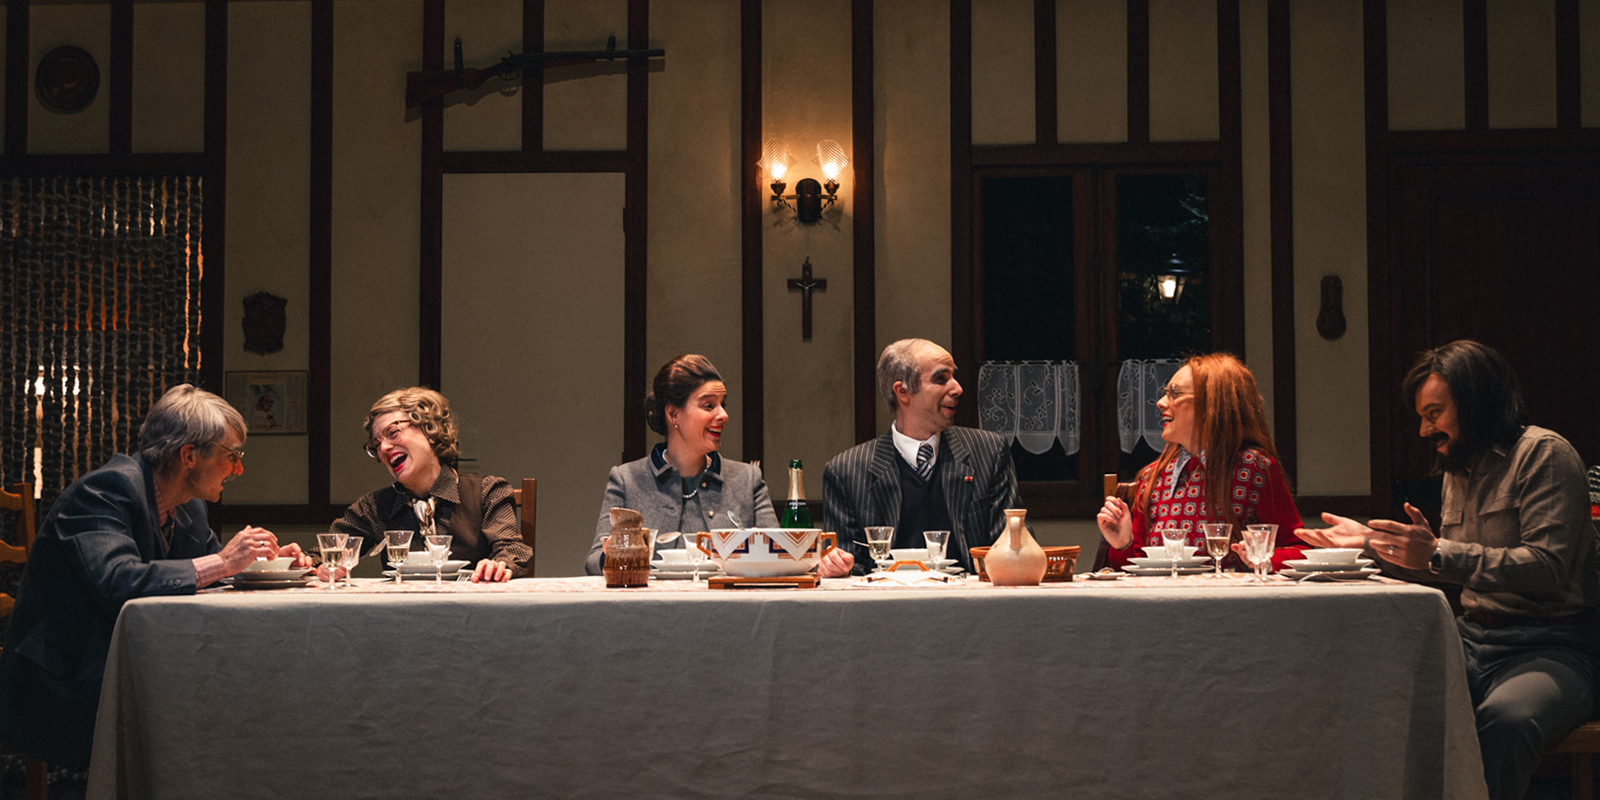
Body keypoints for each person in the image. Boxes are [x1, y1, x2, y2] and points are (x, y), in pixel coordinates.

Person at [1298, 340, 1600, 800]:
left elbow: (1547, 566)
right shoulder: (1459, 467)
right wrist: (1372, 545)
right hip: (1472, 638)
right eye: (1421, 416)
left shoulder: (1543, 454)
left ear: (1476, 402)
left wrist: (1438, 552)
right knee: (1380, 697)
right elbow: (1449, 566)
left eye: (1434, 413)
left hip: (1555, 646)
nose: (1424, 429)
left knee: (1507, 720)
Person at [0, 384, 310, 768]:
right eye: (232, 456)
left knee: (240, 692)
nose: (238, 468)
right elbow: (117, 582)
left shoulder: (189, 507)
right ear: (188, 456)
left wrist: (269, 564)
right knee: (217, 704)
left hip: (126, 664)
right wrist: (225, 562)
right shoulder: (105, 490)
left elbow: (206, 572)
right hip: (65, 680)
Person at [822, 339, 1024, 577]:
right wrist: (835, 565)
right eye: (941, 379)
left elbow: (1014, 545)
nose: (958, 388)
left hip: (970, 606)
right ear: (903, 392)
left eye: (953, 377)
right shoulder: (846, 471)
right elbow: (847, 566)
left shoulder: (989, 452)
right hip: (884, 608)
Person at [1096, 353, 1307, 571]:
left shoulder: (1253, 468)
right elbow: (1135, 568)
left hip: (1231, 603)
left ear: (1212, 404)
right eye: (1165, 393)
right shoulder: (1153, 476)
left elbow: (1298, 548)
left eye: (1175, 393)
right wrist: (1122, 544)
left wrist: (1263, 558)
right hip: (1165, 603)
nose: (1160, 402)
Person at [585, 355, 777, 574]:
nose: (723, 415)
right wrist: (608, 556)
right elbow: (593, 563)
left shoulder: (748, 479)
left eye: (722, 405)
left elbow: (782, 554)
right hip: (650, 608)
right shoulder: (627, 480)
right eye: (708, 406)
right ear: (673, 414)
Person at [331, 388, 529, 582]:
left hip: (473, 610)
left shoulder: (488, 492)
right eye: (377, 444)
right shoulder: (375, 506)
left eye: (392, 433)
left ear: (429, 430)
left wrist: (499, 564)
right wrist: (305, 562)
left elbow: (512, 550)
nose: (383, 448)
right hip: (401, 612)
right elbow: (328, 550)